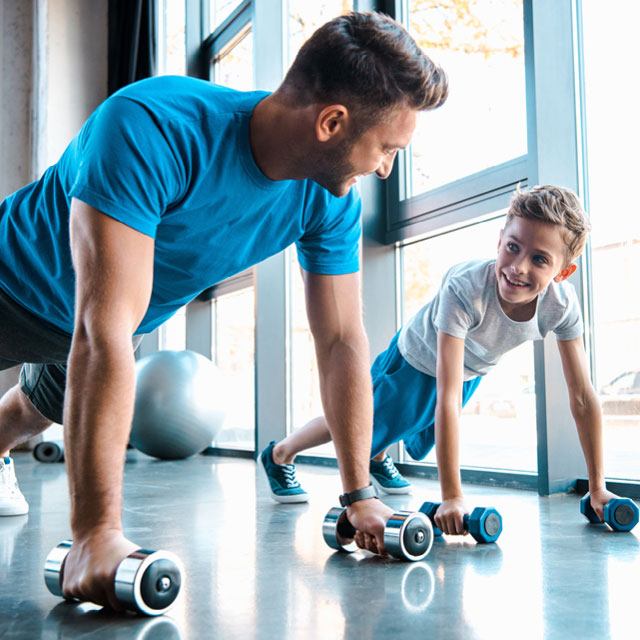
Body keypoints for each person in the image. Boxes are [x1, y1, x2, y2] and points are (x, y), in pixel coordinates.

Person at [0, 11, 448, 607]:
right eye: (386, 148)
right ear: (332, 122)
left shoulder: (328, 201)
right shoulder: (155, 124)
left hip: (94, 330)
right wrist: (95, 535)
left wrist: (358, 492)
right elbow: (99, 325)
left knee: (34, 412)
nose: (386, 166)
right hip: (15, 288)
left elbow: (342, 340)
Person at [262, 185, 620, 535]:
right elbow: (445, 394)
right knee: (357, 422)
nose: (517, 267)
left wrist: (598, 486)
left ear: (563, 273)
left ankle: (376, 454)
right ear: (499, 241)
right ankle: (280, 453)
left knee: (402, 430)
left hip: (469, 372)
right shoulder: (465, 288)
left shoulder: (562, 306)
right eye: (512, 247)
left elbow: (583, 397)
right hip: (414, 361)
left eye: (539, 259)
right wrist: (452, 497)